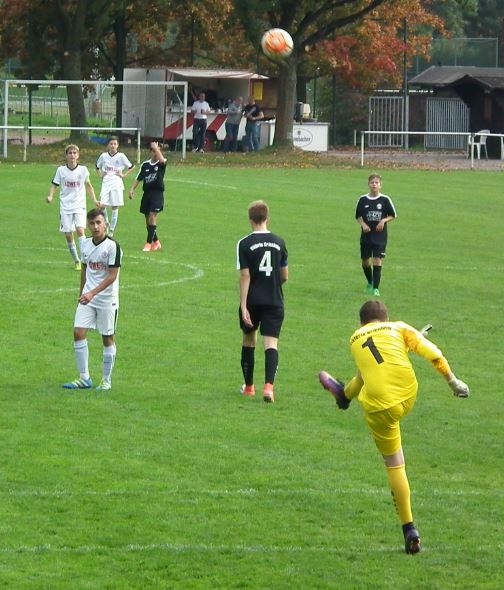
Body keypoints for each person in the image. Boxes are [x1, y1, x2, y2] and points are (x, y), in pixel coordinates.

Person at [319, 300, 470, 555]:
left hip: (380, 408)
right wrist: (453, 382)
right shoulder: (398, 328)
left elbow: (367, 372)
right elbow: (434, 354)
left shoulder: (355, 339)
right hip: (407, 395)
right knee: (376, 382)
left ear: (361, 323)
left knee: (394, 463)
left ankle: (409, 529)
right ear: (386, 318)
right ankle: (343, 395)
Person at [62, 208, 123, 391]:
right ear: (88, 225)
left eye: (98, 223)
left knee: (107, 338)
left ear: (105, 224)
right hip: (88, 297)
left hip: (107, 299)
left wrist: (92, 293)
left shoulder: (113, 247)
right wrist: (82, 293)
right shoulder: (86, 245)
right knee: (78, 332)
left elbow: (112, 276)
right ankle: (84, 378)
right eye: (92, 223)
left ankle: (106, 380)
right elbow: (85, 269)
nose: (95, 227)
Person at [236, 200, 288, 403]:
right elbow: (284, 275)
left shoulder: (244, 243)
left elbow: (245, 276)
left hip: (253, 301)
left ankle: (249, 387)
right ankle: (269, 388)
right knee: (271, 344)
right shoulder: (280, 242)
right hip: (274, 300)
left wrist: (243, 306)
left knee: (249, 340)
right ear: (267, 219)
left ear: (250, 220)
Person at [46, 144, 98, 271]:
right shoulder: (61, 170)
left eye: (74, 153)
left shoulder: (83, 170)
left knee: (80, 230)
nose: (72, 155)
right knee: (69, 235)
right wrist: (50, 196)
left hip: (79, 205)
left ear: (78, 155)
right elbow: (54, 185)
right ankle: (76, 260)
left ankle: (84, 258)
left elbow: (88, 186)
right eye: (70, 153)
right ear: (66, 156)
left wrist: (95, 200)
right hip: (65, 206)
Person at [355, 174, 397, 297]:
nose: (374, 184)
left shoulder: (385, 200)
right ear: (368, 184)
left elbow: (393, 215)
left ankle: (375, 288)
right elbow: (358, 216)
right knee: (365, 261)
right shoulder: (363, 200)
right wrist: (363, 224)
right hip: (366, 236)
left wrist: (383, 220)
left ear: (380, 185)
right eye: (372, 182)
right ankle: (370, 282)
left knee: (377, 260)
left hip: (380, 236)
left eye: (376, 182)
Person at [129, 141, 167, 252]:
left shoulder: (161, 163)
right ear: (150, 152)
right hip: (147, 194)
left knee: (152, 216)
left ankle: (148, 243)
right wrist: (132, 189)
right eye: (153, 151)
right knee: (148, 221)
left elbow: (162, 161)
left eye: (157, 151)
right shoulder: (145, 165)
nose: (156, 153)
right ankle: (157, 242)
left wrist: (157, 148)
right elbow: (139, 178)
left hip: (157, 194)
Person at [95, 136, 134, 237]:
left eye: (115, 144)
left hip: (116, 183)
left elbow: (131, 166)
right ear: (108, 145)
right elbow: (97, 166)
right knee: (102, 205)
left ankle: (111, 230)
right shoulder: (103, 156)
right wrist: (100, 175)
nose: (113, 146)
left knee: (115, 206)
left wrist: (123, 174)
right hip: (106, 183)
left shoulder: (121, 156)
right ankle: (106, 223)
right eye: (111, 144)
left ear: (118, 145)